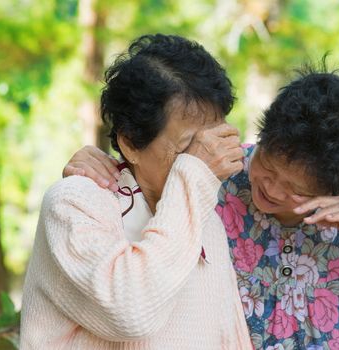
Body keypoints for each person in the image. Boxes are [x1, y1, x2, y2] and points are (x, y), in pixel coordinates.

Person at [64, 61, 339, 348]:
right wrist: (97, 163)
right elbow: (146, 172)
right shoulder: (219, 172)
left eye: (294, 188)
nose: (270, 189)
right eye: (266, 164)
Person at [20, 34, 253, 349]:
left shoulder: (204, 216)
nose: (207, 158)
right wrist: (194, 176)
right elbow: (131, 313)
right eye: (190, 147)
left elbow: (228, 335)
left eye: (213, 140)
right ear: (130, 142)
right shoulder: (74, 202)